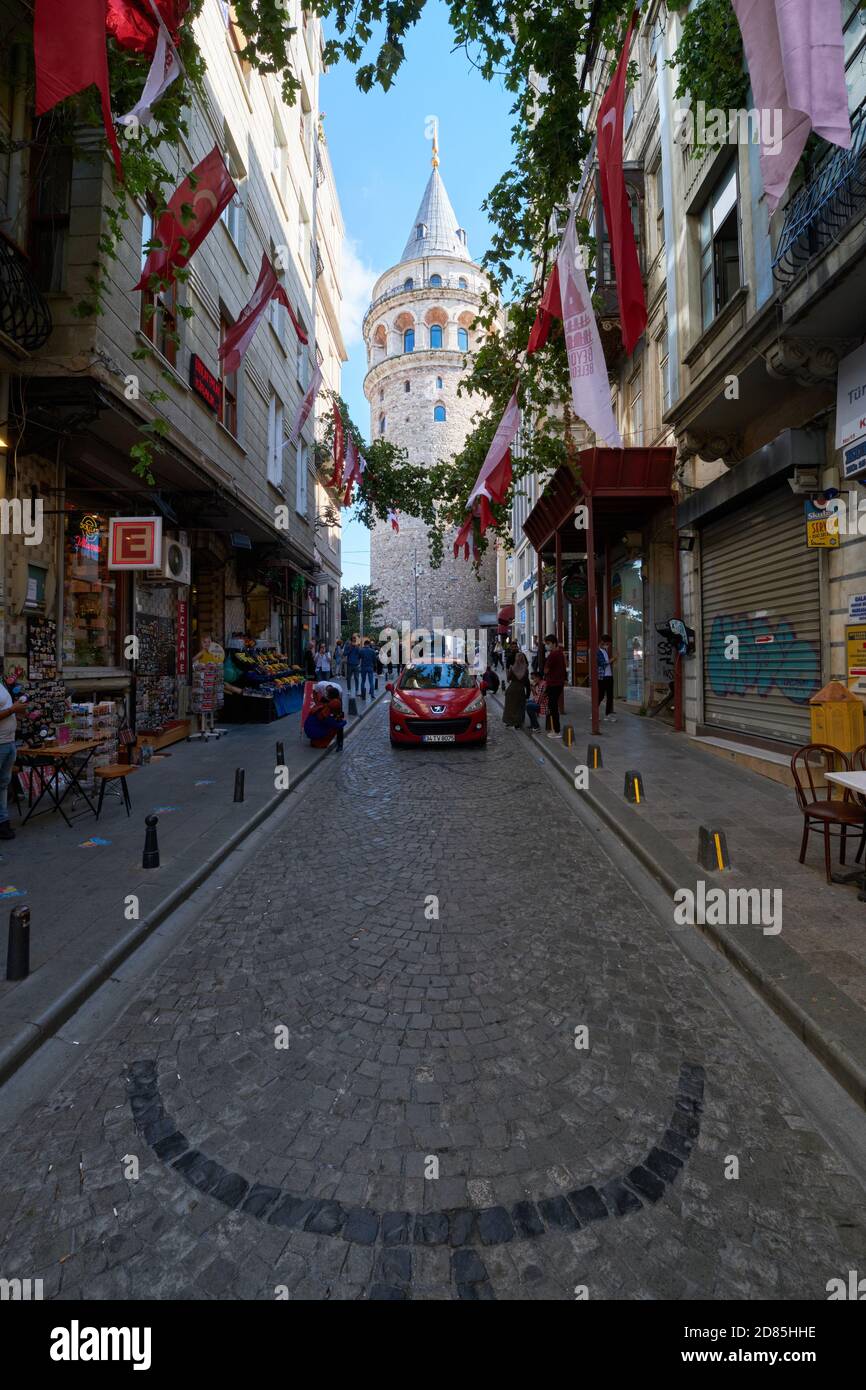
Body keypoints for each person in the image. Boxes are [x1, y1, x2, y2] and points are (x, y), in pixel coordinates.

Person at [0, 668, 24, 840]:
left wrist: (18, 709)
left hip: (9, 741)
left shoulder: (2, 685)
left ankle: (3, 822)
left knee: (3, 783)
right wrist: (13, 710)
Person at [304, 684, 346, 749]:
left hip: (309, 730)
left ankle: (316, 741)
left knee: (337, 720)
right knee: (335, 726)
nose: (326, 694)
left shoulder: (324, 705)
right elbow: (332, 723)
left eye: (327, 693)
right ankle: (322, 742)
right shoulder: (326, 710)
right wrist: (343, 722)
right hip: (313, 731)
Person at [542, 632, 566, 738]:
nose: (547, 645)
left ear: (554, 643)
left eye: (548, 643)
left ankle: (556, 731)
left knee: (553, 707)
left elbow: (546, 670)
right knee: (553, 706)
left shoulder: (553, 655)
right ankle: (554, 728)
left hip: (553, 684)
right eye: (546, 643)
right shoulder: (560, 653)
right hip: (559, 683)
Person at [502, 650, 530, 729]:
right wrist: (528, 693)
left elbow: (508, 678)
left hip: (511, 689)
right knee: (519, 707)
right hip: (520, 689)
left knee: (510, 707)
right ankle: (518, 723)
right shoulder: (525, 669)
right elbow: (527, 682)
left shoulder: (513, 668)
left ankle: (509, 721)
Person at [597, 633, 617, 722]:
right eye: (607, 644)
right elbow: (603, 664)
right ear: (602, 642)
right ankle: (594, 713)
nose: (608, 646)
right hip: (602, 677)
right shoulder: (598, 651)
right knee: (600, 696)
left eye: (608, 644)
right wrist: (613, 659)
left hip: (609, 676)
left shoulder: (604, 651)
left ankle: (607, 714)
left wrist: (612, 660)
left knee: (610, 696)